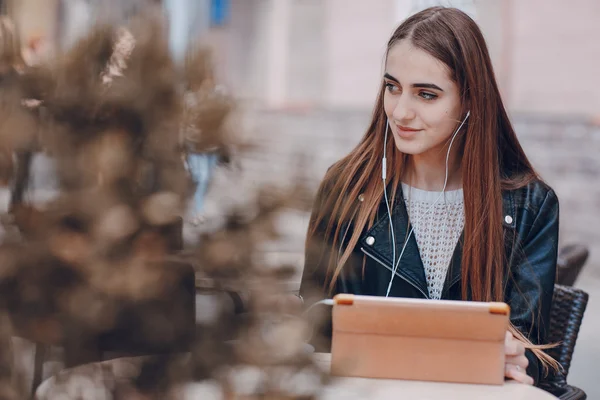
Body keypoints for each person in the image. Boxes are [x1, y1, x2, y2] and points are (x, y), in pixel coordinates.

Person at [299, 7, 559, 387]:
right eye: (392, 87)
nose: (401, 111)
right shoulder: (346, 188)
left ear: (470, 100)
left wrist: (514, 356)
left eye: (426, 94)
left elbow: (533, 354)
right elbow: (312, 317)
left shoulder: (529, 206)